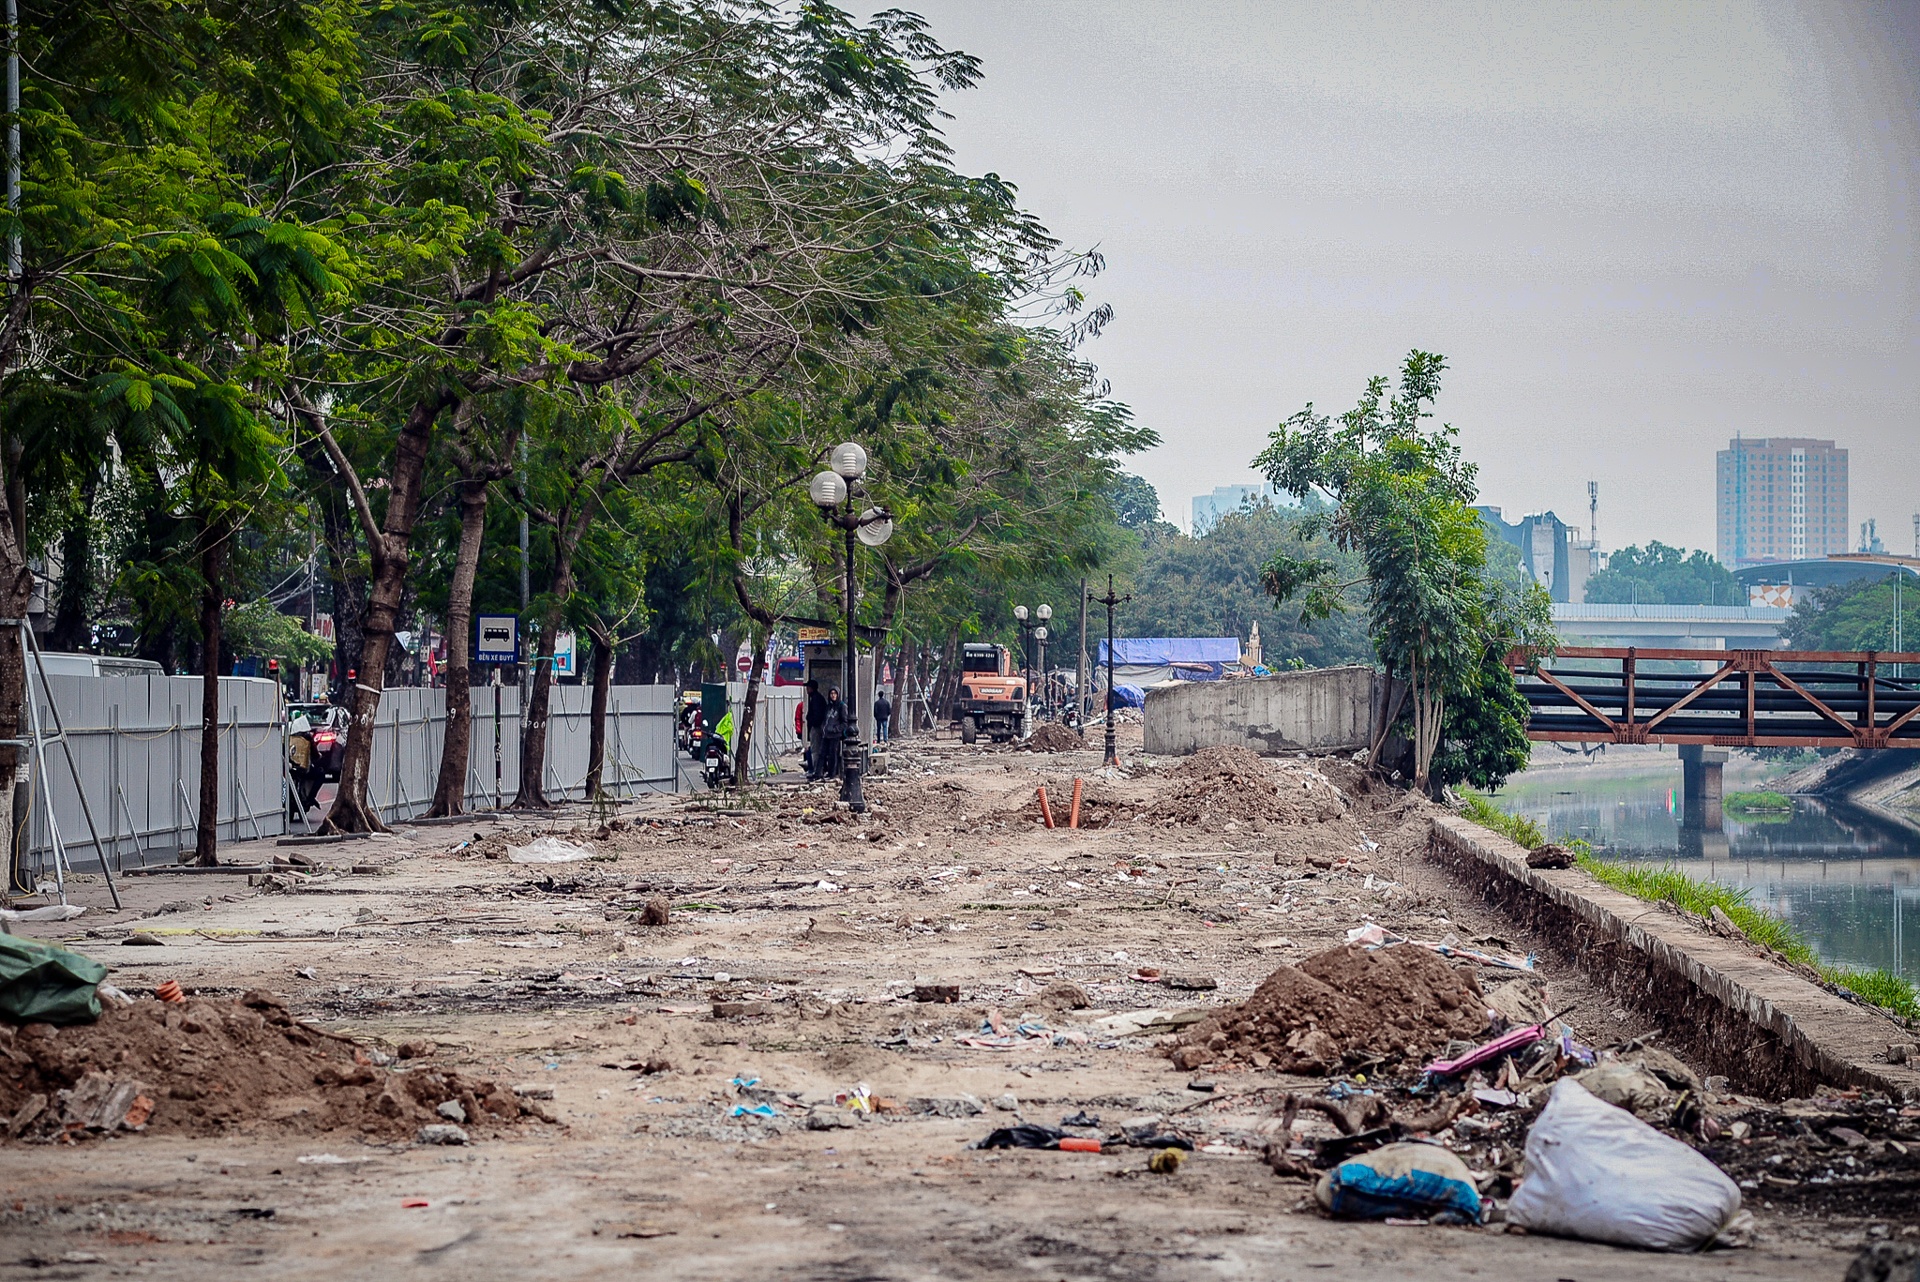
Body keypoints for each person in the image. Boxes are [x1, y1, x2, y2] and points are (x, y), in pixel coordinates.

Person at [821, 686, 846, 780]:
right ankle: (823, 772)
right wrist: (824, 727)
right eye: (831, 694)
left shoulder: (841, 706)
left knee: (833, 755)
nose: (833, 695)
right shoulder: (829, 706)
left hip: (835, 735)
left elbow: (844, 722)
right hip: (826, 734)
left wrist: (836, 729)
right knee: (823, 754)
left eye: (835, 694)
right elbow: (825, 719)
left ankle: (833, 773)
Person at [804, 679, 826, 780]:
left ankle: (816, 770)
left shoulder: (815, 699)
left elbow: (817, 715)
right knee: (815, 749)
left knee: (815, 749)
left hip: (816, 728)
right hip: (817, 726)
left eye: (808, 688)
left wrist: (813, 723)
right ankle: (817, 770)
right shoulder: (817, 698)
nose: (807, 690)